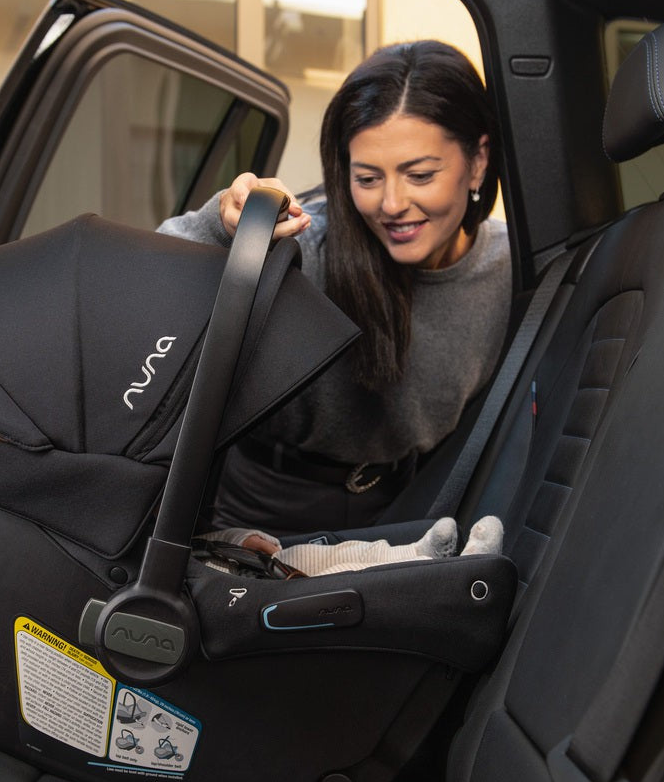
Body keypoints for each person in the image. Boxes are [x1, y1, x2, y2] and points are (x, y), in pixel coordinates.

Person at [159, 40, 511, 534]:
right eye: (367, 178)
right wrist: (225, 224)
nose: (391, 204)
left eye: (419, 175)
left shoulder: (511, 268)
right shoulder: (307, 244)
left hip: (413, 498)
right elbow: (151, 276)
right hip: (266, 503)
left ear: (477, 161)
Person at [199, 515, 504, 579]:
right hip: (247, 593)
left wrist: (240, 539)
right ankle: (458, 574)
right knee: (345, 574)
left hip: (260, 562)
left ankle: (415, 553)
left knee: (342, 552)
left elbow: (201, 540)